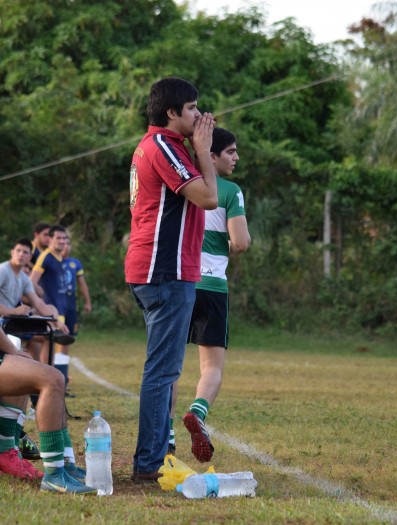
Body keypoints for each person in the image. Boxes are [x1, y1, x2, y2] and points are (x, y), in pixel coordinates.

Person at [0, 181, 97, 492]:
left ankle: (3, 451)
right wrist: (11, 350)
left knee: (27, 366)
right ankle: (56, 472)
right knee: (51, 378)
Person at [125, 76, 218, 483]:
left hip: (161, 270)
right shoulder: (162, 146)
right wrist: (203, 152)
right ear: (171, 113)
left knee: (165, 371)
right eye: (192, 108)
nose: (198, 116)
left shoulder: (165, 146)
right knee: (162, 372)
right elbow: (208, 197)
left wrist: (199, 152)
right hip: (164, 271)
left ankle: (156, 456)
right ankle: (149, 463)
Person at [175, 127, 251, 463]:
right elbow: (242, 241)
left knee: (169, 366)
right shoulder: (230, 191)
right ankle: (197, 411)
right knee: (212, 367)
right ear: (213, 154)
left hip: (181, 282)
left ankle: (164, 435)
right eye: (231, 152)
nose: (236, 158)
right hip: (213, 287)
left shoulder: (184, 184)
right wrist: (231, 244)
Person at [0, 238, 70, 459]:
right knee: (23, 348)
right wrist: (15, 311)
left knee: (42, 338)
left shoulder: (23, 277)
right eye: (19, 250)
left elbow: (38, 302)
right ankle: (39, 384)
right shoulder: (1, 272)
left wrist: (55, 320)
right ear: (12, 251)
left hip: (13, 323)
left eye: (27, 252)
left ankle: (42, 383)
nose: (22, 255)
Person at [57, 234, 92, 393]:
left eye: (68, 243)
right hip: (57, 304)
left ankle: (63, 376)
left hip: (71, 305)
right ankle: (56, 377)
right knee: (53, 340)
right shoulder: (52, 261)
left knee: (66, 340)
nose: (65, 246)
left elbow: (82, 283)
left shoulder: (75, 263)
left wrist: (87, 301)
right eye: (62, 243)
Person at [30, 225, 70, 368]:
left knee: (55, 347)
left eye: (64, 238)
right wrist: (41, 301)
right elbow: (32, 282)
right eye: (58, 238)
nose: (62, 241)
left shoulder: (59, 258)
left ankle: (57, 381)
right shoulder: (46, 257)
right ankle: (45, 380)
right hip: (49, 310)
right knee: (47, 344)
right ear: (50, 239)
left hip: (59, 309)